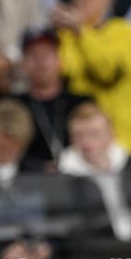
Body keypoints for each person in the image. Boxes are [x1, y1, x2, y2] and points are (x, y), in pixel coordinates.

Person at [52, 0, 131, 155]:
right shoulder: (65, 37)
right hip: (77, 142)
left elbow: (107, 72)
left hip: (121, 140)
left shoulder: (126, 32)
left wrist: (82, 32)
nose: (82, 2)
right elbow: (61, 76)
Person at [58, 102, 131, 246]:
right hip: (95, 253)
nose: (87, 142)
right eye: (79, 135)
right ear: (71, 139)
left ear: (111, 134)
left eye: (95, 134)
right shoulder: (63, 176)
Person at [17, 28, 91, 169]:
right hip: (30, 182)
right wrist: (40, 167)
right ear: (23, 64)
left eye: (46, 54)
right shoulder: (14, 106)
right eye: (33, 55)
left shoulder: (82, 103)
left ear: (59, 60)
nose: (40, 62)